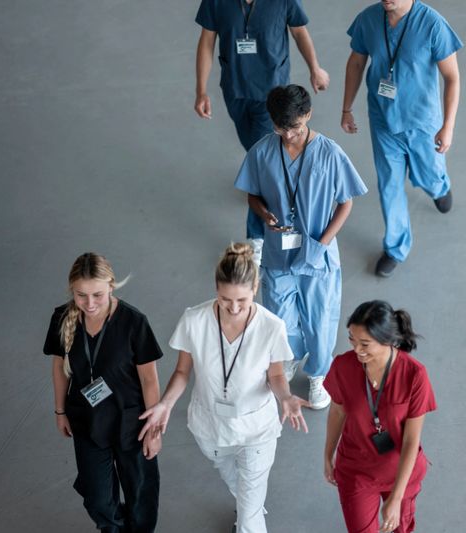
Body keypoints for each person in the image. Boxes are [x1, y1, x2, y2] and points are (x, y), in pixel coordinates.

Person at [138, 243, 309, 533]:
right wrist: (165, 403)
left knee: (249, 517)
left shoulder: (272, 326)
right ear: (215, 289)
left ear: (255, 287)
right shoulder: (195, 319)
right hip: (210, 426)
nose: (233, 308)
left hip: (257, 428)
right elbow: (182, 371)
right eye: (224, 298)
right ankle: (248, 502)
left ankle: (249, 512)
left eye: (242, 300)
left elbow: (276, 375)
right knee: (234, 480)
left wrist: (286, 397)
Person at [234, 84, 368, 409]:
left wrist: (323, 243)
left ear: (307, 115)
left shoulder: (330, 153)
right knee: (280, 315)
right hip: (279, 252)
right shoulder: (263, 151)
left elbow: (345, 203)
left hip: (317, 255)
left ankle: (318, 375)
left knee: (319, 317)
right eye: (280, 128)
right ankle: (288, 359)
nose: (288, 134)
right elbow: (252, 193)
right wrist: (265, 214)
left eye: (293, 127)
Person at [194, 0, 331, 259]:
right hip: (235, 89)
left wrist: (315, 67)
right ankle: (274, 189)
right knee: (252, 147)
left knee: (261, 160)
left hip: (271, 92)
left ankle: (256, 235)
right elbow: (207, 41)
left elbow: (299, 31)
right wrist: (201, 90)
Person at [341, 0, 462, 277]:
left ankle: (439, 187)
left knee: (429, 174)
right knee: (389, 186)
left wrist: (448, 126)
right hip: (383, 121)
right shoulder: (368, 19)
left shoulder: (432, 24)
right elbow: (356, 62)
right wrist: (347, 108)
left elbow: (452, 77)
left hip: (422, 124)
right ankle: (396, 247)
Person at [43, 253, 163, 533]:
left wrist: (154, 431)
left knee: (140, 494)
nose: (89, 304)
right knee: (97, 498)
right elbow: (59, 368)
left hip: (132, 421)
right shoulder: (62, 317)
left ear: (112, 285)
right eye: (81, 295)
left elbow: (149, 380)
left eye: (97, 294)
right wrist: (59, 411)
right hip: (87, 418)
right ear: (72, 290)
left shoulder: (134, 322)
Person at [323, 300, 435, 533]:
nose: (356, 350)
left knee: (400, 528)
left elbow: (411, 440)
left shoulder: (414, 375)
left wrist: (396, 496)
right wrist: (328, 453)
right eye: (352, 340)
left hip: (400, 472)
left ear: (387, 340)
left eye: (365, 343)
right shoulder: (343, 366)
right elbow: (337, 410)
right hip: (356, 470)